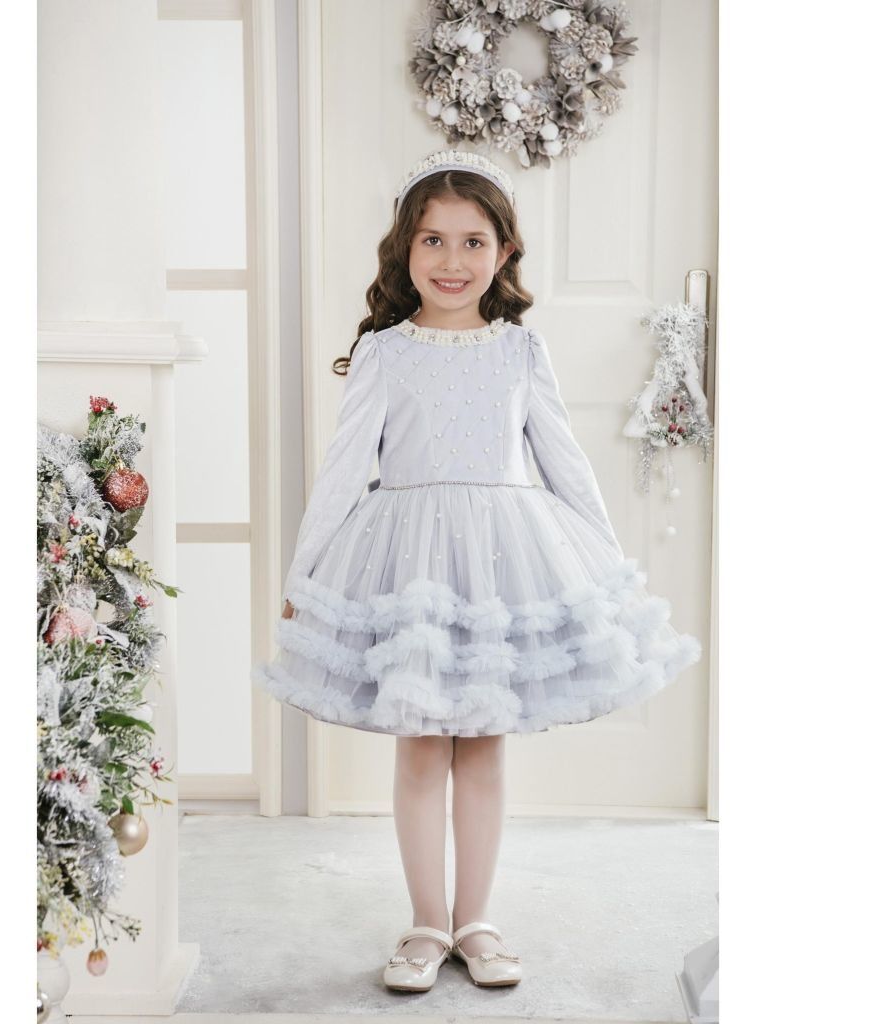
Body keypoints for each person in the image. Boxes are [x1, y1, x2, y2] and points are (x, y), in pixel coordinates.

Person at [251, 149, 702, 992]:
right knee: (423, 749)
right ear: (405, 247)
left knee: (484, 747)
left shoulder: (521, 351)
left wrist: (607, 567)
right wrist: (303, 576)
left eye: (473, 241)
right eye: (433, 240)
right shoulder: (385, 352)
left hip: (501, 566)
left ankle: (477, 921)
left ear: (504, 252)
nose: (452, 261)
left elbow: (566, 464)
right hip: (410, 565)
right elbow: (344, 472)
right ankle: (427, 923)